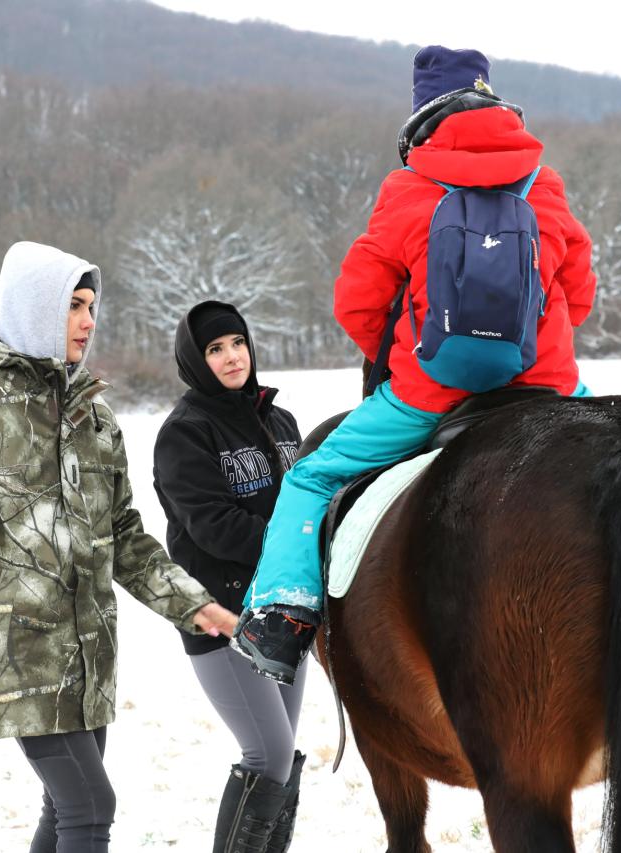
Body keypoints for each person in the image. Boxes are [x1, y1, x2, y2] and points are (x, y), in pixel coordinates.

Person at [233, 46, 598, 684]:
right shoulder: (545, 184)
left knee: (311, 479)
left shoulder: (408, 187)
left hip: (432, 394)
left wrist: (405, 354)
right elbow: (581, 293)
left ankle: (283, 617)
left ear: (422, 118)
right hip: (547, 387)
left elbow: (357, 303)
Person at [0, 241, 239, 853]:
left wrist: (193, 604)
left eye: (92, 306)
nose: (88, 321)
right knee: (90, 805)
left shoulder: (92, 416)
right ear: (34, 307)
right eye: (73, 305)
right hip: (15, 652)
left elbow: (123, 534)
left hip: (88, 651)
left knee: (67, 807)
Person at [152, 302, 306, 852]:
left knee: (282, 758)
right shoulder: (184, 434)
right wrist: (299, 542)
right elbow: (214, 527)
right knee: (268, 754)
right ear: (196, 360)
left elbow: (308, 498)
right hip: (223, 615)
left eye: (237, 342)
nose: (232, 356)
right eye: (215, 349)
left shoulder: (280, 422)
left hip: (286, 611)